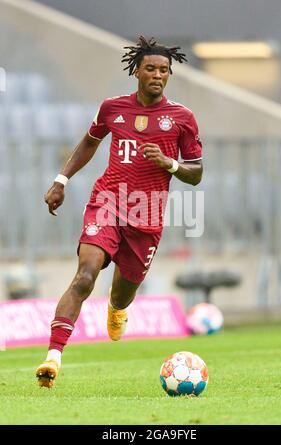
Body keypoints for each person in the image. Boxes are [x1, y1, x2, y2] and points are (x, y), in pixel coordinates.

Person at [36, 35, 203, 388]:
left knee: (121, 293)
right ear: (137, 71)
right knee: (84, 275)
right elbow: (89, 142)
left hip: (148, 214)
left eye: (164, 70)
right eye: (151, 68)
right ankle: (53, 357)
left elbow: (196, 173)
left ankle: (117, 308)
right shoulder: (112, 108)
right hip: (108, 203)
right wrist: (60, 180)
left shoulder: (182, 118)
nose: (158, 75)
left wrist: (169, 163)